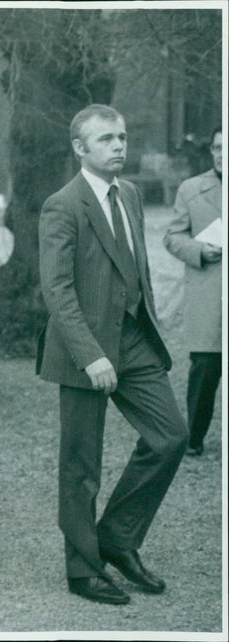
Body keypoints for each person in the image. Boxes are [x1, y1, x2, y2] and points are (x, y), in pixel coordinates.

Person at [37, 104, 188, 605]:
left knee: (170, 436)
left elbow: (130, 266)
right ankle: (82, 569)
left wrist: (148, 313)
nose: (119, 146)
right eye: (106, 139)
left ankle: (117, 539)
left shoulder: (131, 194)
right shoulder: (62, 204)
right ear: (80, 148)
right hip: (85, 347)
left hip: (135, 339)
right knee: (81, 465)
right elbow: (57, 290)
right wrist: (91, 355)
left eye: (122, 136)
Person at [163, 127, 223, 457]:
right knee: (205, 369)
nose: (221, 154)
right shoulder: (191, 189)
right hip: (209, 292)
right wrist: (199, 250)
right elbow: (173, 237)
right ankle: (195, 438)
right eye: (216, 147)